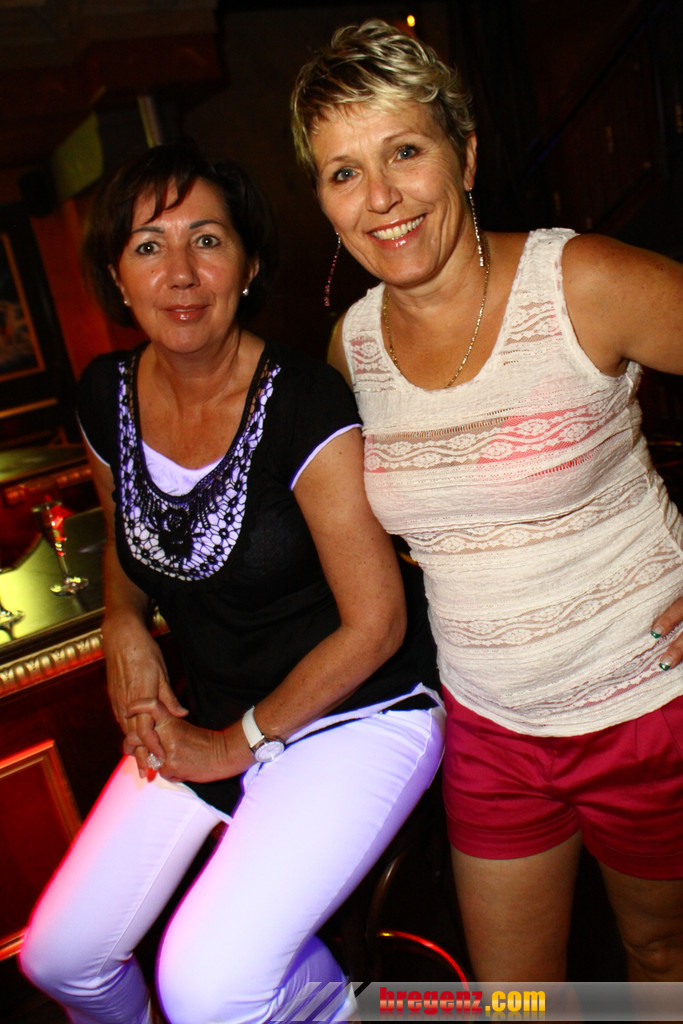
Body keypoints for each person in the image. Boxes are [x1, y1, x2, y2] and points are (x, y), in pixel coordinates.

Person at [290, 19, 683, 984]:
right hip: (491, 729)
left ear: (463, 156)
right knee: (514, 999)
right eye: (342, 172)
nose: (379, 198)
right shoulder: (350, 350)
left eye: (404, 151)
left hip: (649, 706)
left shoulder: (579, 280)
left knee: (657, 953)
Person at [18, 141, 445, 1024]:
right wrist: (122, 625)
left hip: (356, 712)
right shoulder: (106, 395)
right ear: (116, 277)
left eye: (206, 240)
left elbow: (375, 623)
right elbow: (128, 546)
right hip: (211, 710)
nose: (180, 273)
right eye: (148, 246)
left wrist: (234, 744)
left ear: (247, 265)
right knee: (60, 958)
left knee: (208, 989)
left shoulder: (305, 402)